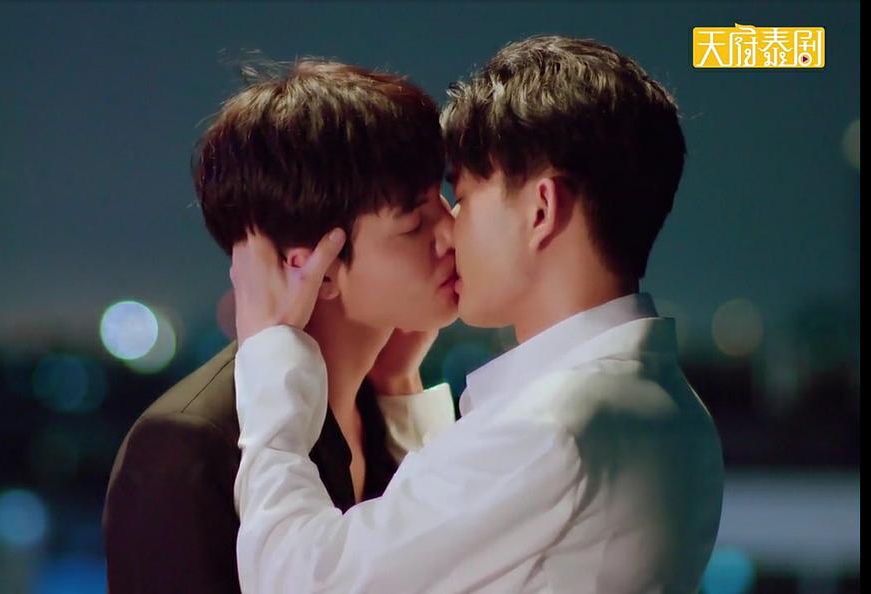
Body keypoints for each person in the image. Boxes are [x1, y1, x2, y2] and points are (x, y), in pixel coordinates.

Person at [229, 35, 725, 593]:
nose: (450, 230)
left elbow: (298, 579)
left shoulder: (548, 429)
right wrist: (400, 391)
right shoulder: (673, 409)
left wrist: (269, 351)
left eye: (463, 197)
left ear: (541, 210)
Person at [103, 59, 462, 593]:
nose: (451, 233)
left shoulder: (379, 402)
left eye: (443, 199)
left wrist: (403, 392)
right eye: (414, 222)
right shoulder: (188, 443)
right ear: (312, 264)